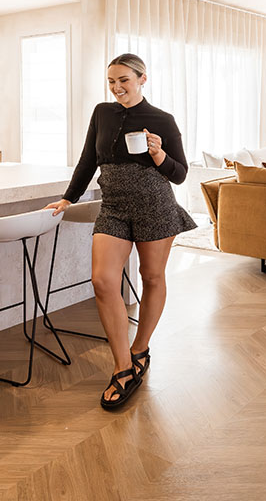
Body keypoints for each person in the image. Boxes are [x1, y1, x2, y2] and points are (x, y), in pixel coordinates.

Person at [45, 53, 196, 409]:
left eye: (124, 81)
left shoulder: (162, 120)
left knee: (153, 277)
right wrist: (69, 198)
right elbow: (87, 159)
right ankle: (123, 366)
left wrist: (159, 154)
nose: (116, 88)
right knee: (102, 280)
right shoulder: (102, 112)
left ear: (143, 79)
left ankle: (140, 347)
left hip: (154, 205)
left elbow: (180, 174)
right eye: (111, 81)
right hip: (113, 206)